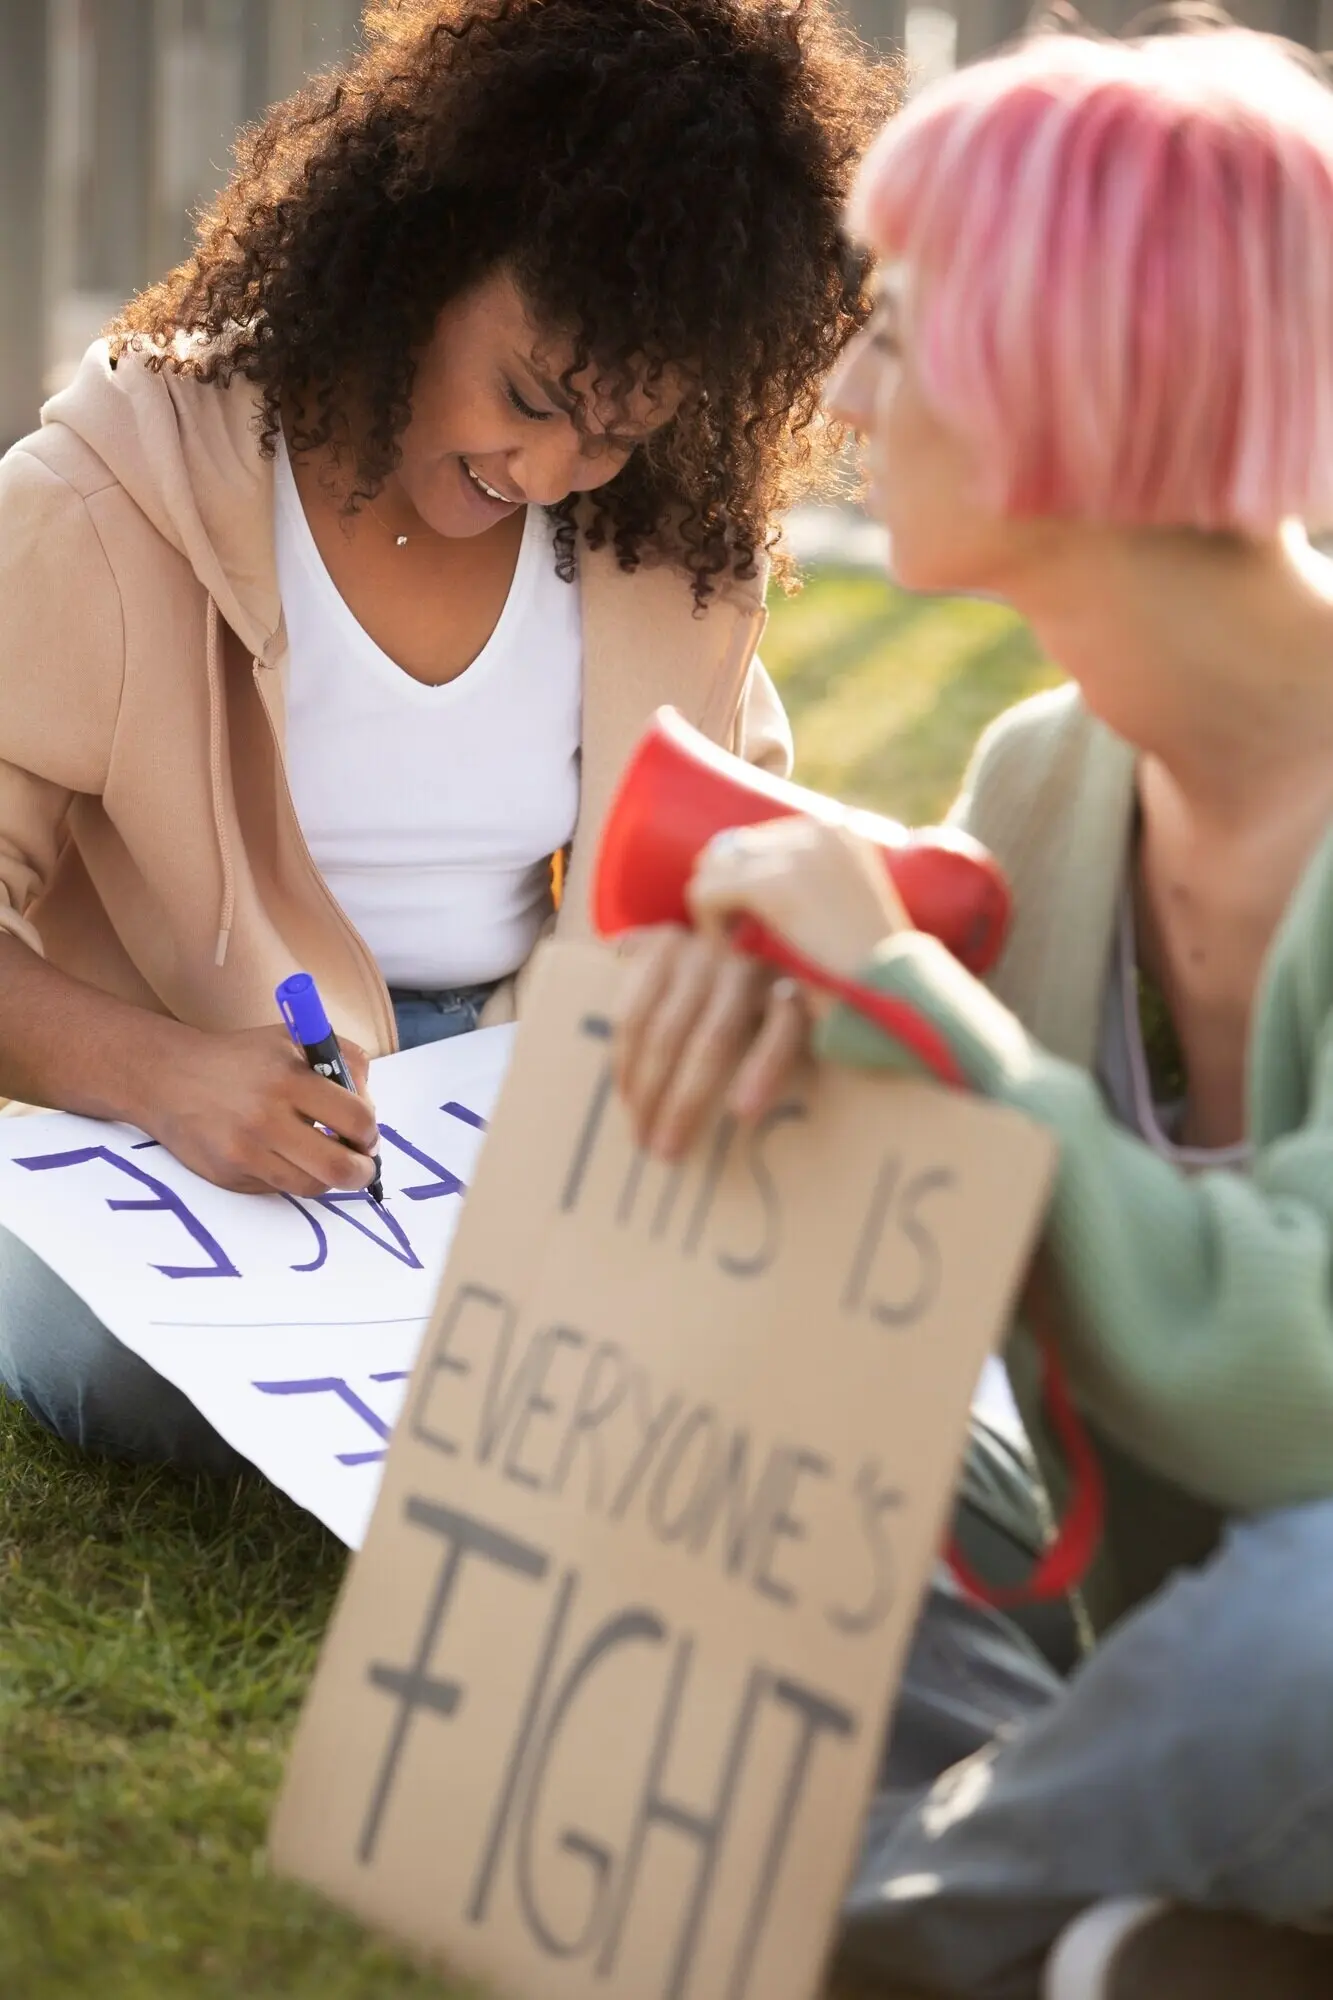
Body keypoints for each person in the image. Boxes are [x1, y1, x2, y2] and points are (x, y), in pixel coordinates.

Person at [615, 20, 1333, 2000]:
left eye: (904, 334)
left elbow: (1295, 1377)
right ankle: (1095, 1940)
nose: (844, 390)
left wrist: (904, 995)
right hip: (1157, 1667)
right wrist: (786, 1051)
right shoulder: (1043, 774)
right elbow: (949, 1189)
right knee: (749, 1362)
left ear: (1084, 376)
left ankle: (876, 1922)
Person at [0, 0, 893, 1472]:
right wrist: (164, 1075)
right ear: (419, 254)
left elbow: (720, 878)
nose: (549, 468)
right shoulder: (108, 504)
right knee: (123, 1369)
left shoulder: (662, 547)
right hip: (189, 1094)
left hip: (510, 1083)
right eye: (531, 395)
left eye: (616, 432)